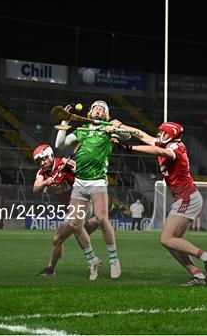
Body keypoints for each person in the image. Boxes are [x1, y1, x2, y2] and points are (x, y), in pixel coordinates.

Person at [110, 120, 207, 286]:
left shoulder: (176, 148)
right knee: (173, 243)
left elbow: (157, 151)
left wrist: (129, 148)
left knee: (166, 239)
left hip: (188, 197)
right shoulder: (166, 143)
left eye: (164, 133)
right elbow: (141, 134)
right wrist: (120, 126)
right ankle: (198, 275)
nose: (160, 135)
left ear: (172, 136)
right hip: (184, 198)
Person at [55, 101, 130, 280]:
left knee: (102, 218)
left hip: (98, 182)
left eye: (102, 109)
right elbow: (60, 144)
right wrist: (65, 122)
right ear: (90, 113)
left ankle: (114, 259)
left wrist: (115, 129)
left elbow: (127, 136)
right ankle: (92, 260)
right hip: (80, 183)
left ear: (105, 115)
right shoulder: (82, 131)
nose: (98, 110)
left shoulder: (108, 130)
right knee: (74, 224)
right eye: (96, 108)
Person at [32, 144, 100, 276]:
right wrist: (46, 182)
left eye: (44, 159)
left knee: (67, 232)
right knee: (59, 239)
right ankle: (97, 222)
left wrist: (73, 169)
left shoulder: (65, 164)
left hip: (83, 202)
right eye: (38, 161)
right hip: (71, 209)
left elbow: (86, 175)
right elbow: (35, 187)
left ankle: (92, 260)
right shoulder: (42, 173)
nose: (42, 163)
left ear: (51, 156)